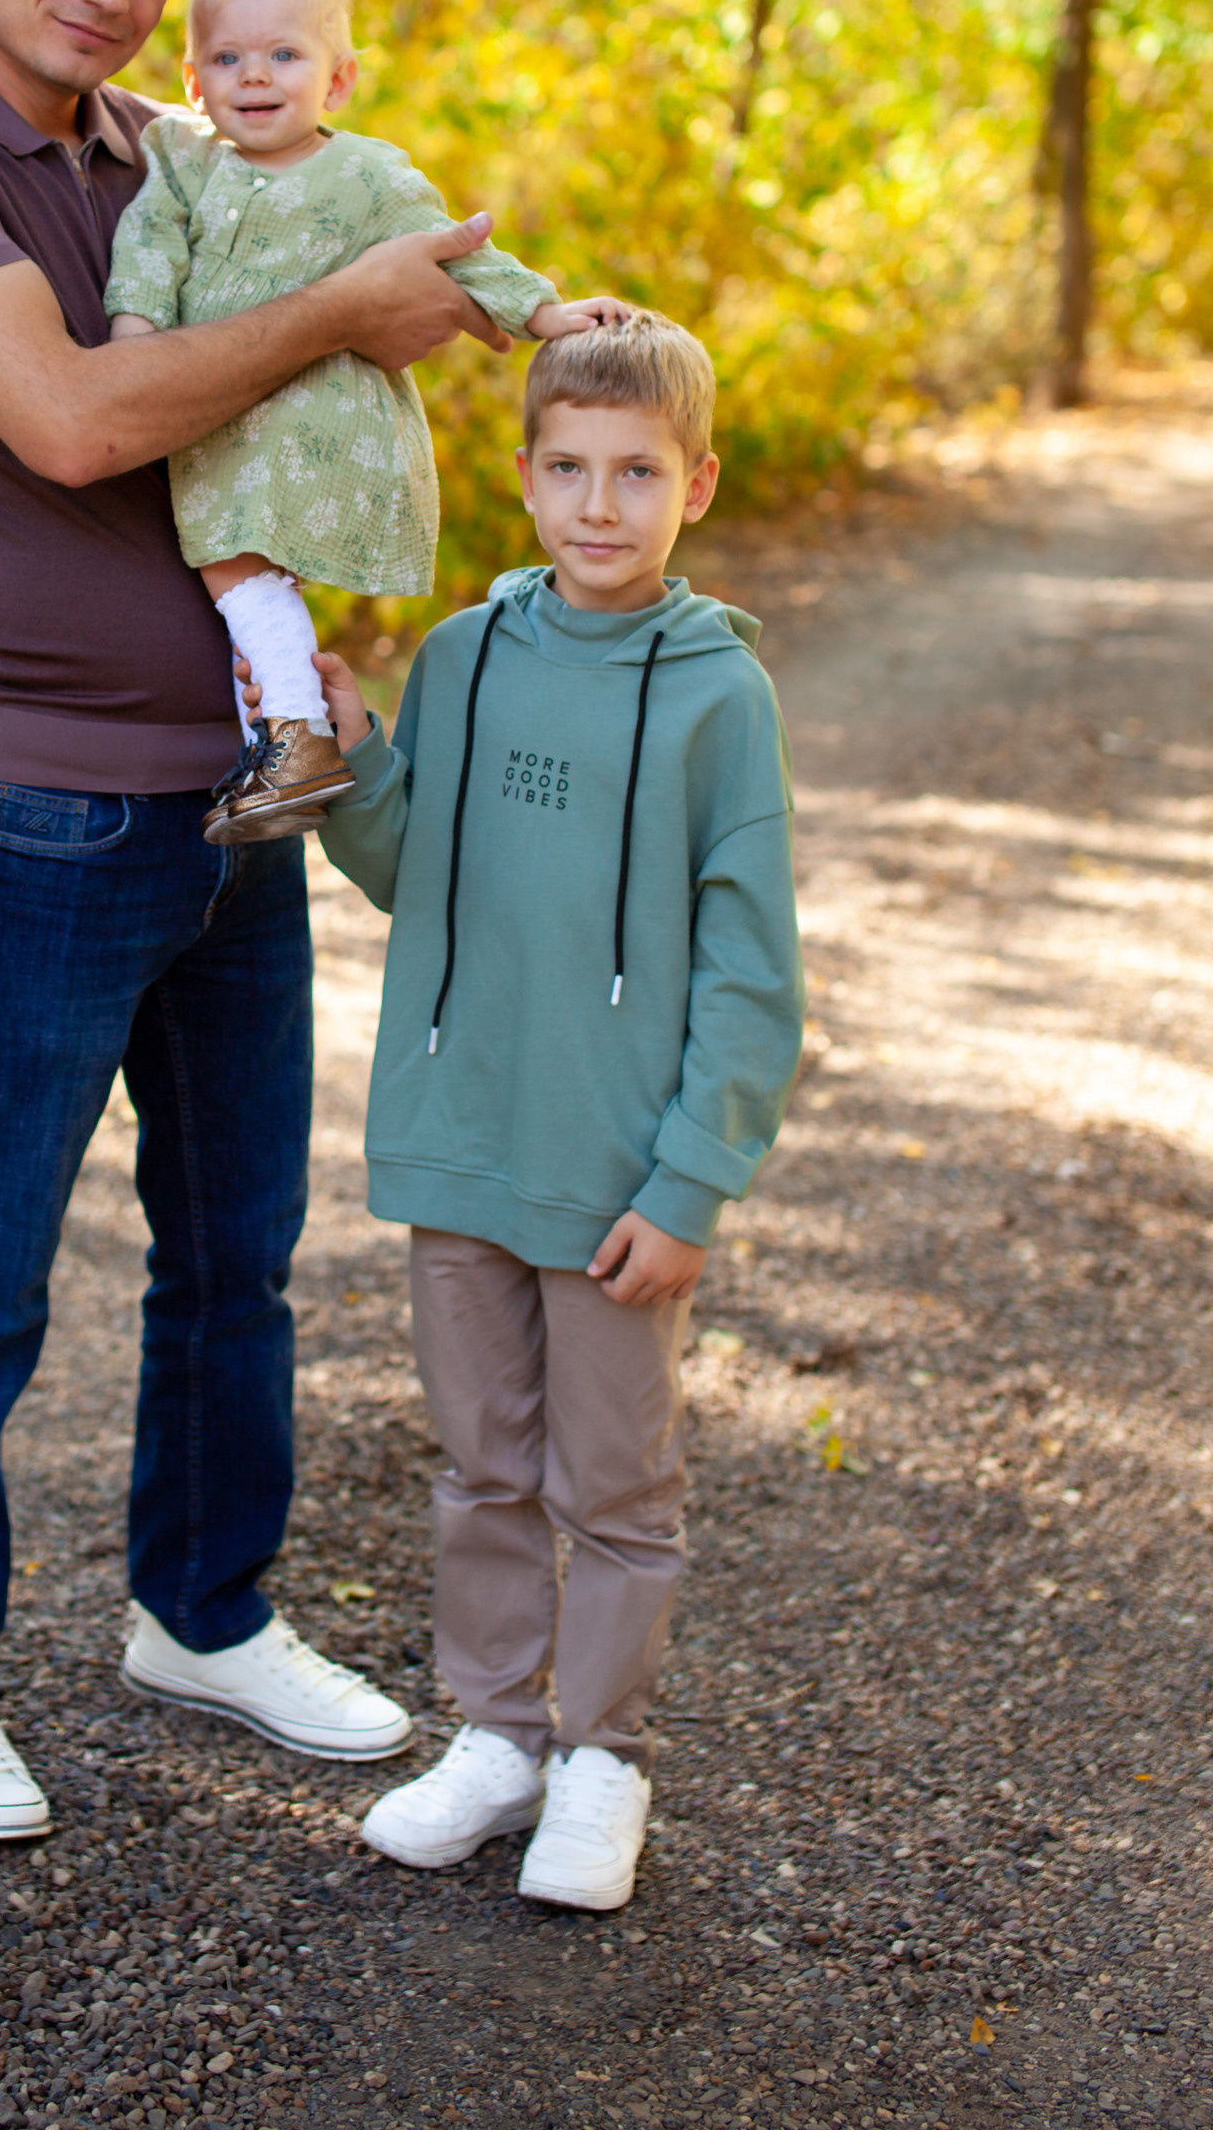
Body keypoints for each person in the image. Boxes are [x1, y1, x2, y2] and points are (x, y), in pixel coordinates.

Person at [0, 0, 517, 1842]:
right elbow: (78, 419)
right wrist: (339, 315)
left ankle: (199, 1614)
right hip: (37, 804)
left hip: (228, 787)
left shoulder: (162, 147)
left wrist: (296, 642)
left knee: (239, 1254)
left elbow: (254, 425)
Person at [309, 314, 804, 1910]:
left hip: (613, 1179)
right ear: (522, 477)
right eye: (571, 469)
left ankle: (602, 1762)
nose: (602, 504)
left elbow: (751, 971)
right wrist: (356, 760)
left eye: (638, 473)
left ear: (696, 485)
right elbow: (408, 875)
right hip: (463, 1138)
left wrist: (692, 1180)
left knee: (618, 1483)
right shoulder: (462, 655)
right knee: (478, 1469)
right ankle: (499, 1736)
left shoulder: (723, 697)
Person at [105, 0, 624, 841]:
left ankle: (299, 741)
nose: (254, 75)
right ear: (193, 84)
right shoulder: (184, 164)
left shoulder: (366, 176)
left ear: (337, 78)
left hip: (316, 421)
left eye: (283, 55)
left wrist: (544, 313)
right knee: (244, 582)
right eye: (226, 58)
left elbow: (463, 255)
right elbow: (148, 245)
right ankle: (275, 749)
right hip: (225, 424)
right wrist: (134, 333)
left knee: (231, 564)